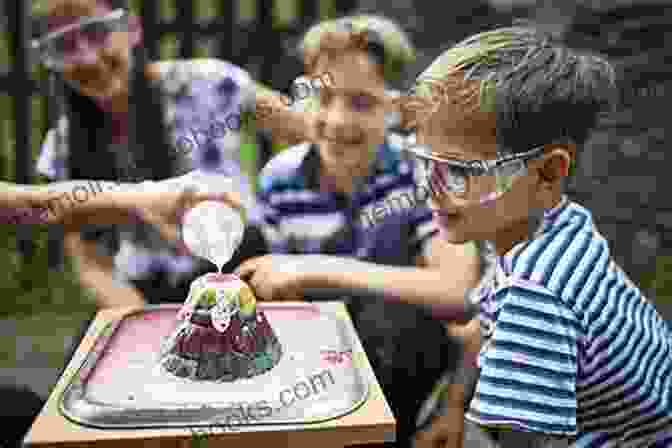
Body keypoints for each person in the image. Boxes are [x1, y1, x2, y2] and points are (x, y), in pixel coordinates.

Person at [385, 25, 671, 447]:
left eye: (460, 170)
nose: (431, 186)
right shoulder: (545, 224)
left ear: (548, 171)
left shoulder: (534, 294)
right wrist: (455, 410)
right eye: (424, 161)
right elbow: (488, 326)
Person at [240, 15, 481, 448]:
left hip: (413, 373)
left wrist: (313, 269)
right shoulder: (281, 181)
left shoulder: (424, 176)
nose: (337, 120)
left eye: (362, 103)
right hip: (321, 372)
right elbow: (279, 296)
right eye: (324, 98)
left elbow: (459, 292)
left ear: (396, 108)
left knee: (385, 314)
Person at [31, 0, 308, 308]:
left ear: (131, 28)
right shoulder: (63, 146)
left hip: (248, 270)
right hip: (151, 294)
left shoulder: (209, 83)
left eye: (97, 33)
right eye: (64, 45)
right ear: (49, 58)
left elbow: (314, 132)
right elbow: (92, 263)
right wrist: (141, 322)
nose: (88, 57)